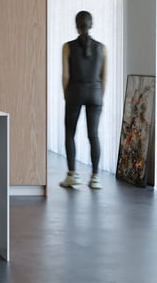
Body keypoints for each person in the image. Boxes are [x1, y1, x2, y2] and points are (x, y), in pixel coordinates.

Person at [59, 10, 107, 190]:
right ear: (91, 25)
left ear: (76, 26)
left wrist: (67, 95)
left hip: (75, 92)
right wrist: (99, 96)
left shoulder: (67, 47)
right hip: (95, 94)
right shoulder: (102, 48)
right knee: (93, 135)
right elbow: (104, 77)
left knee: (70, 133)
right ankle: (95, 177)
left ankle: (72, 175)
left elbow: (65, 76)